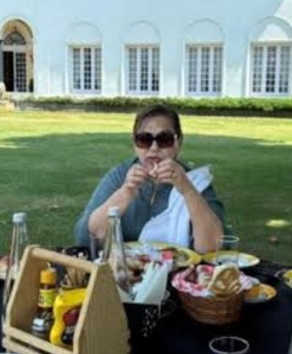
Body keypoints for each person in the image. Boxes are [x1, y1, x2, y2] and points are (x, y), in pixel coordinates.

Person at [74, 104, 228, 254]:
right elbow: (85, 238)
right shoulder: (120, 176)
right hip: (126, 267)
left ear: (178, 143)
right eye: (144, 139)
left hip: (178, 270)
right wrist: (125, 193)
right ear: (134, 143)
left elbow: (213, 247)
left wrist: (188, 190)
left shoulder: (194, 181)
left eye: (164, 139)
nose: (154, 148)